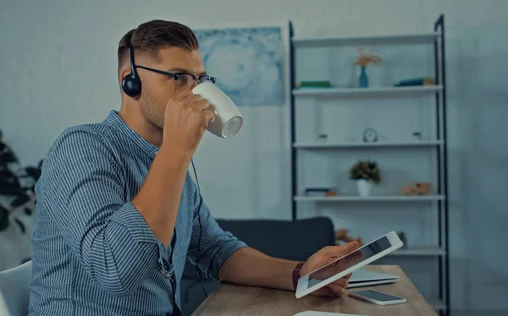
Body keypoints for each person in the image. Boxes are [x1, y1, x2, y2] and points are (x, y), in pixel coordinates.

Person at [27, 19, 359, 316]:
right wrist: (176, 150)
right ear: (130, 81)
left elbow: (218, 252)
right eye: (178, 77)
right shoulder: (83, 148)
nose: (195, 91)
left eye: (199, 79)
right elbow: (114, 270)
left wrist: (302, 274)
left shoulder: (170, 166)